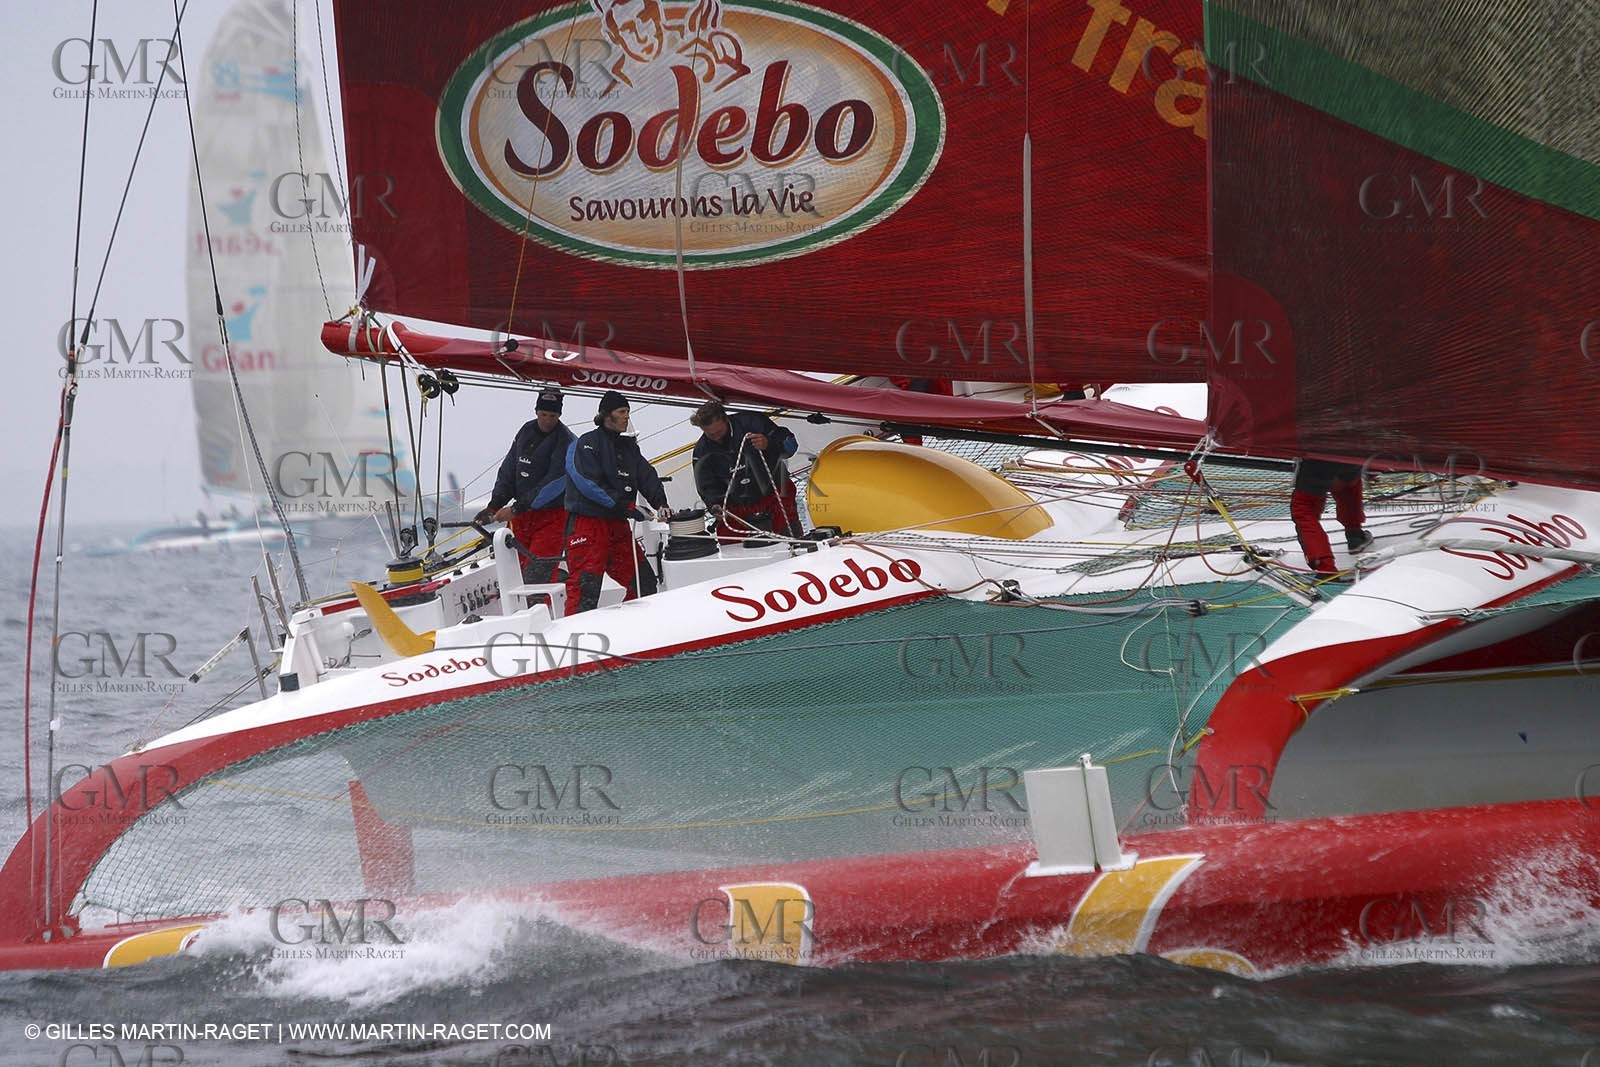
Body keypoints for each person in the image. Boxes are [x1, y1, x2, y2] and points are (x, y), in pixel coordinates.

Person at [563, 391, 670, 613]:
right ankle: (574, 641)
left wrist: (661, 503)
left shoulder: (628, 447)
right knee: (585, 590)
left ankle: (638, 632)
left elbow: (645, 475)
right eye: (622, 412)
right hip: (589, 527)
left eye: (628, 413)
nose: (626, 417)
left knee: (643, 583)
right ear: (606, 415)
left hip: (618, 527)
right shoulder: (587, 444)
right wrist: (627, 507)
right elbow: (587, 483)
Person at [476, 387, 575, 583]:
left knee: (539, 576)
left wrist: (515, 508)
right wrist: (494, 505)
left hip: (552, 518)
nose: (547, 420)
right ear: (536, 411)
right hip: (521, 517)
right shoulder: (525, 431)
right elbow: (509, 471)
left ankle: (541, 608)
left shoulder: (567, 441)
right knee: (515, 574)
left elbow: (552, 485)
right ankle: (523, 610)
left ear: (559, 415)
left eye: (552, 415)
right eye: (543, 414)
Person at [689, 400, 801, 540]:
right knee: (729, 543)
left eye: (719, 431)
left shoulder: (754, 422)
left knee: (789, 537)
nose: (716, 437)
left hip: (775, 493)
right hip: (738, 507)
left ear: (725, 419)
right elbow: (706, 486)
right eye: (710, 434)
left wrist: (769, 444)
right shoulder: (701, 452)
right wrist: (714, 505)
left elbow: (791, 446)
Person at [1290, 457, 1374, 575]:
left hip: (1318, 458)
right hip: (1353, 453)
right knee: (1348, 485)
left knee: (1303, 507)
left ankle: (1325, 568)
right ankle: (1355, 536)